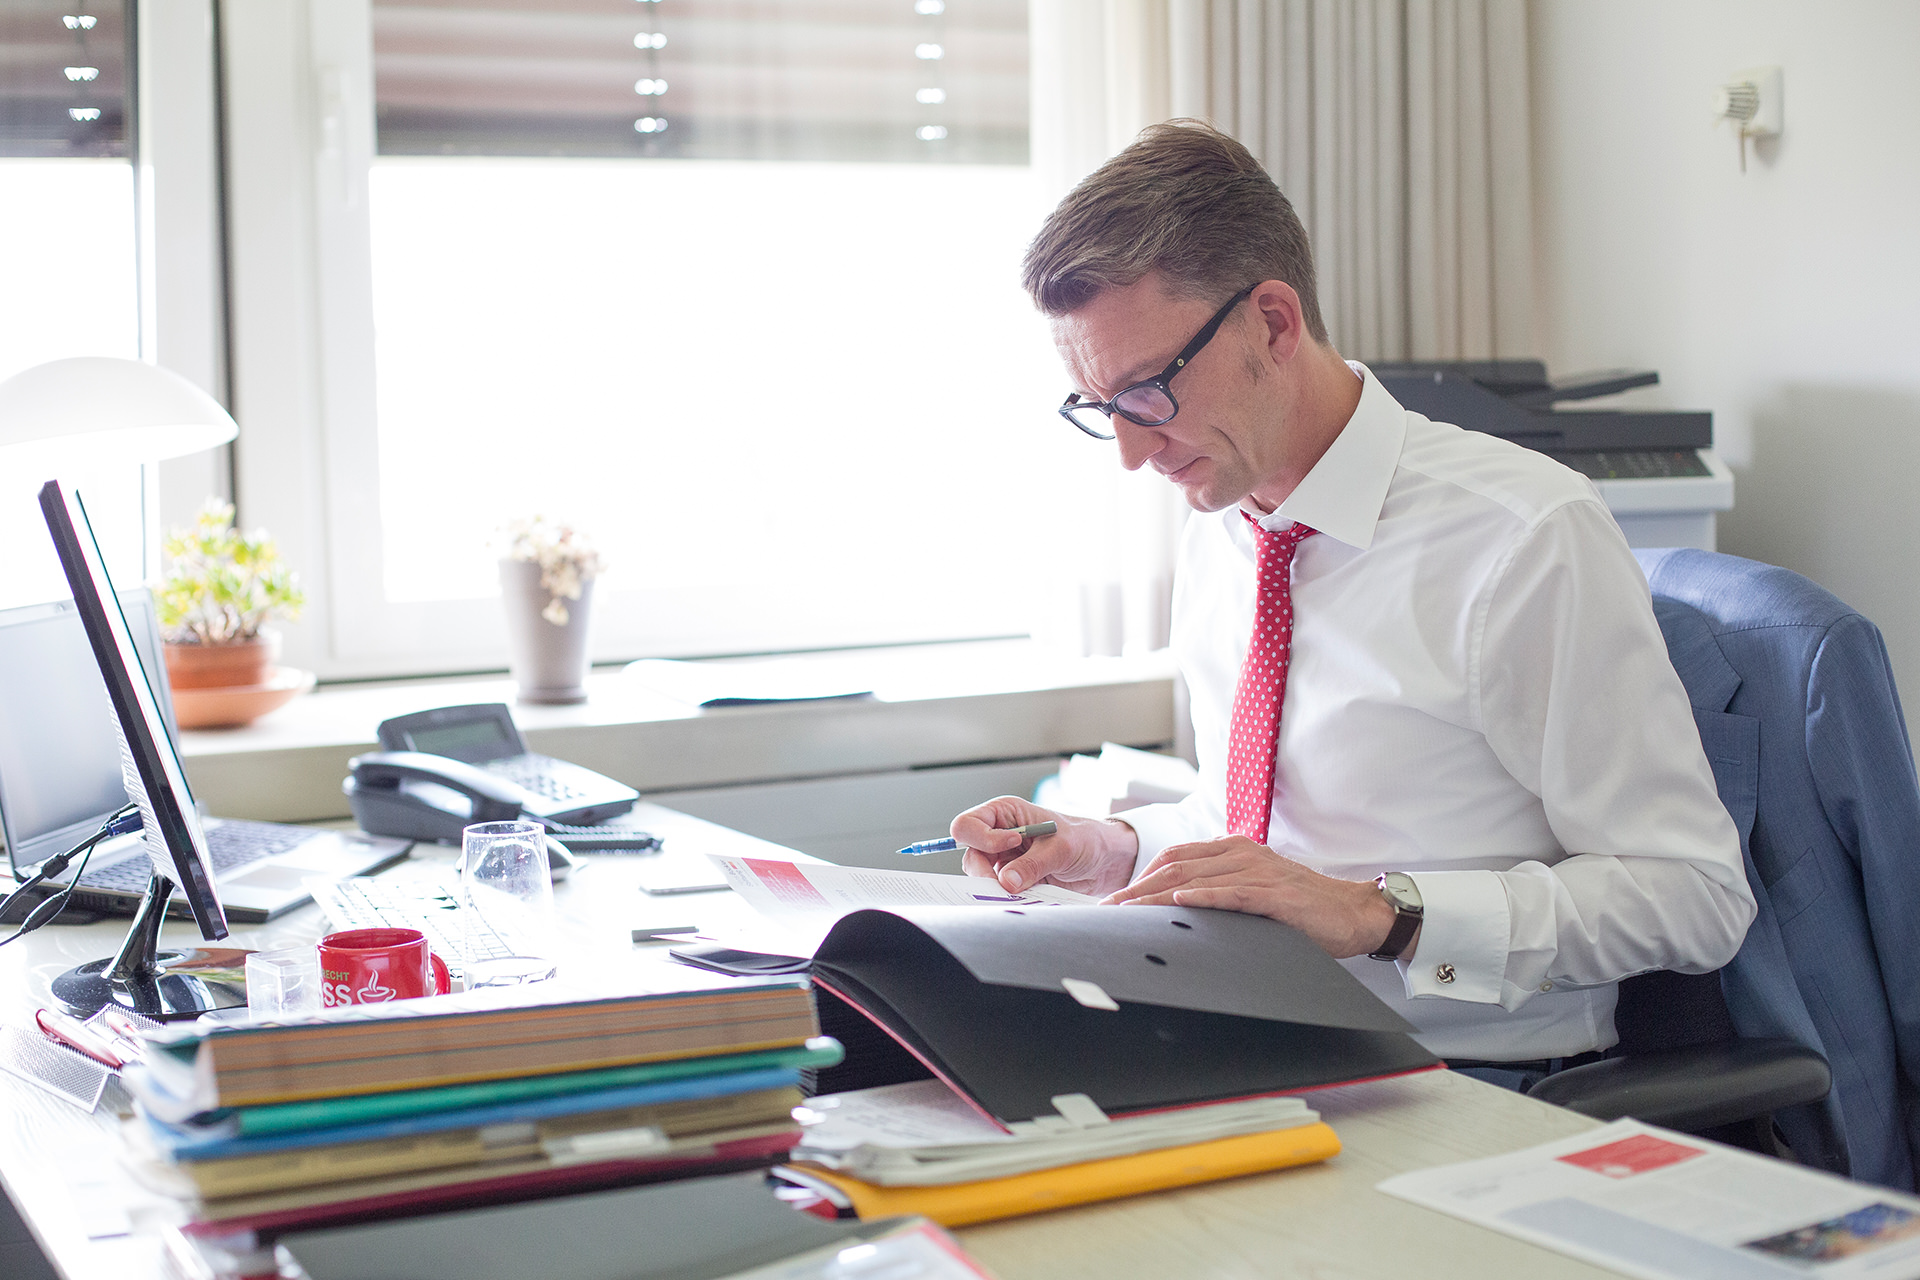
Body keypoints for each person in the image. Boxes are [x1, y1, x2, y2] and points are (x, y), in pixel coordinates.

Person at [948, 120, 1755, 1076]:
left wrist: (1385, 915)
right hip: (1251, 1045)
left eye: (1147, 392)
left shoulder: (1523, 536)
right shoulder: (1221, 524)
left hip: (1469, 1082)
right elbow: (1257, 828)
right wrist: (1108, 849)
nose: (1130, 451)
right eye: (1099, 408)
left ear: (1274, 323)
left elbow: (1696, 897)